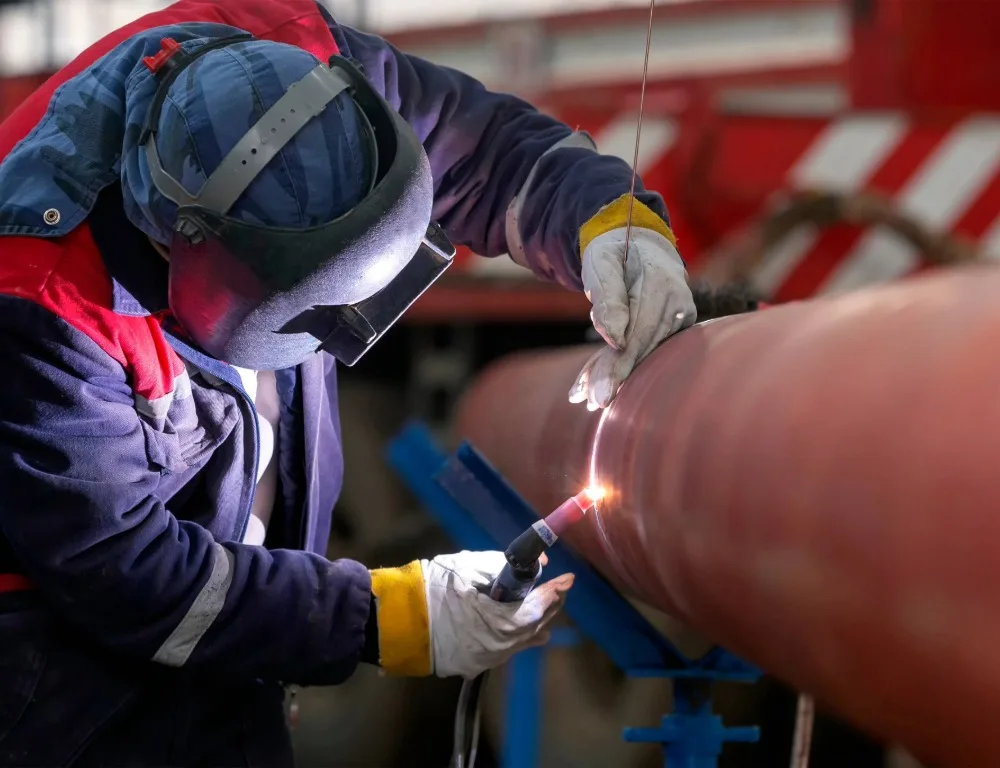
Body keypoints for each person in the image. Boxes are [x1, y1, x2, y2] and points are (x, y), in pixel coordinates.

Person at [0, 0, 696, 764]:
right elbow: (131, 577)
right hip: (62, 683)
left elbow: (486, 150)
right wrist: (387, 617)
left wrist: (607, 225)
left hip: (227, 651)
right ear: (185, 248)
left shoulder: (308, 72)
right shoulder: (39, 304)